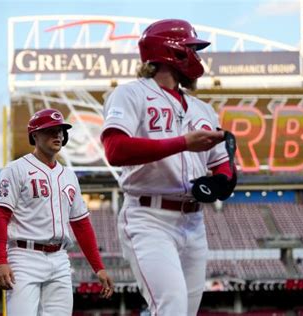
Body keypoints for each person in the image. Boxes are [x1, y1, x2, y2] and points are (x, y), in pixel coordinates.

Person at [101, 19, 237, 316]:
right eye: (191, 48)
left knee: (183, 312)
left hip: (193, 222)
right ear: (170, 52)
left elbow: (221, 166)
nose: (197, 56)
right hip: (149, 218)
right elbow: (115, 149)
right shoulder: (131, 94)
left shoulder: (202, 109)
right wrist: (184, 142)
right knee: (170, 307)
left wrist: (222, 182)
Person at [0, 108, 114, 315]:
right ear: (35, 135)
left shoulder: (68, 175)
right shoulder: (15, 169)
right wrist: (0, 261)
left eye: (60, 131)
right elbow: (0, 217)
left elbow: (81, 225)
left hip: (59, 258)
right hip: (24, 256)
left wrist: (98, 267)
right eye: (50, 131)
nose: (57, 135)